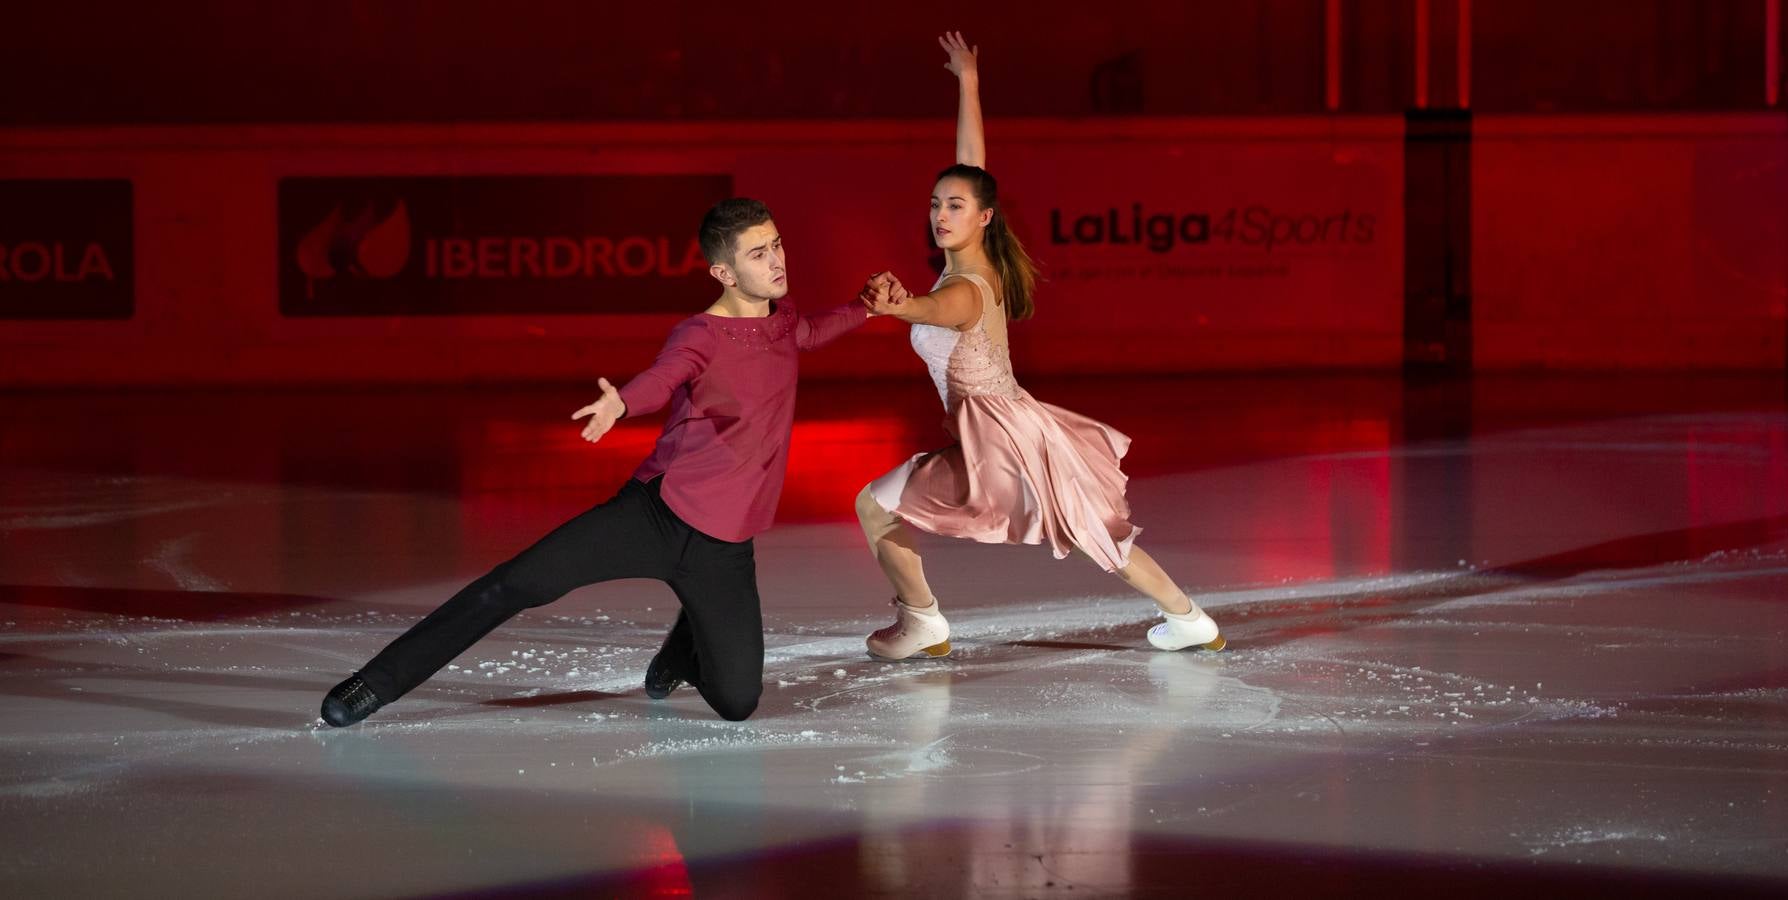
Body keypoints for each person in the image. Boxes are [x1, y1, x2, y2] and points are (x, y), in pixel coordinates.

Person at [319, 198, 871, 725]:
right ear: (723, 273)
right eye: (759, 253)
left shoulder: (781, 316)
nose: (777, 260)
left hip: (723, 546)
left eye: (776, 245)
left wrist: (865, 307)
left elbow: (807, 333)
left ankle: (684, 649)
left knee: (737, 701)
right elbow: (665, 375)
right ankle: (378, 681)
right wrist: (623, 402)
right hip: (656, 516)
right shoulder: (700, 334)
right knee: (517, 583)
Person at [855, 32, 1223, 659]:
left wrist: (901, 307)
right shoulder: (971, 255)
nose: (942, 214)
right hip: (1006, 427)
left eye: (956, 206)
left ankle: (921, 621)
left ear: (985, 217)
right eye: (936, 204)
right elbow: (973, 167)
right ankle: (1188, 619)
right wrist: (967, 82)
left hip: (1001, 435)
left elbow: (942, 309)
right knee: (1085, 527)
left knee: (880, 505)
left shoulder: (968, 285)